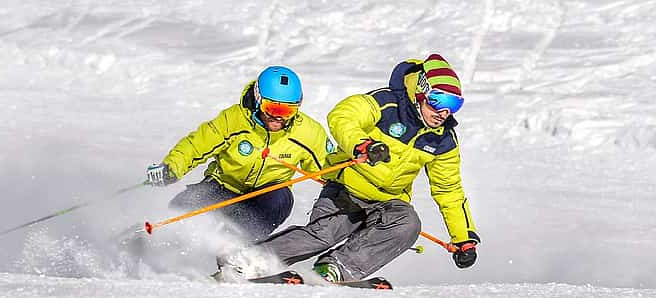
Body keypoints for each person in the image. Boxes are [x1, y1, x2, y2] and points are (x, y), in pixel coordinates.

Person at [218, 54, 480, 282]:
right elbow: (342, 116)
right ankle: (246, 260)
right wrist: (362, 145)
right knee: (324, 235)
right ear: (422, 92)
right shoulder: (387, 104)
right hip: (345, 190)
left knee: (408, 223)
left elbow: (449, 190)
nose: (444, 112)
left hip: (387, 203)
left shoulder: (443, 140)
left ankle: (336, 268)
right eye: (438, 100)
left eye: (454, 105)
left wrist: (463, 238)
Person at [146, 66, 333, 243]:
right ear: (259, 100)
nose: (279, 117)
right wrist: (172, 167)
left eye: (287, 111)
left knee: (279, 199)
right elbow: (196, 145)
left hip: (266, 196)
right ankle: (145, 242)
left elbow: (331, 166)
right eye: (272, 109)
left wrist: (354, 176)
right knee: (178, 212)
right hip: (223, 187)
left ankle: (233, 250)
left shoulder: (308, 132)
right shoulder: (234, 120)